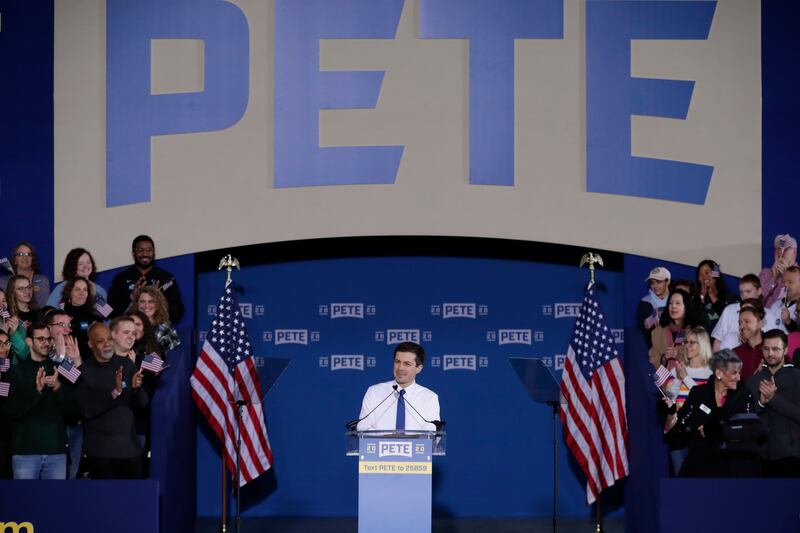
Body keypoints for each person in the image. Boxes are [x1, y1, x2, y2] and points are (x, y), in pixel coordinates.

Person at [664, 349, 759, 477]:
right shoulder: (699, 393)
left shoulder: (743, 395)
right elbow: (681, 424)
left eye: (739, 373)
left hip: (732, 462)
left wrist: (717, 429)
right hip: (701, 460)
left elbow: (751, 429)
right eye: (734, 373)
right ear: (719, 373)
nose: (738, 377)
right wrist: (671, 412)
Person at [3, 323, 77, 479]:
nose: (46, 343)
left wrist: (58, 387)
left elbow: (74, 412)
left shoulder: (63, 368)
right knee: (24, 496)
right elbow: (12, 410)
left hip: (56, 451)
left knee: (55, 496)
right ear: (29, 341)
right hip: (25, 452)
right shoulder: (15, 371)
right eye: (41, 339)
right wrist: (37, 390)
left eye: (49, 339)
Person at [75, 322, 147, 479]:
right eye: (101, 341)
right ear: (90, 344)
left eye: (109, 339)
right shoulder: (83, 372)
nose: (107, 344)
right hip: (100, 454)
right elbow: (87, 411)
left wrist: (136, 389)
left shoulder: (126, 365)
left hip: (130, 451)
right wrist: (115, 392)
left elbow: (142, 404)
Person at [657, 327, 713, 475]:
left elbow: (705, 401)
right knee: (679, 477)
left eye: (692, 343)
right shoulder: (677, 370)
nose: (687, 346)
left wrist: (686, 378)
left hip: (701, 435)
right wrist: (678, 379)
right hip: (678, 433)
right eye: (685, 342)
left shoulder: (711, 374)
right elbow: (670, 397)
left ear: (703, 345)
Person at [747, 329, 800, 476]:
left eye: (775, 349)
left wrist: (773, 398)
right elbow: (747, 416)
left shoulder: (797, 377)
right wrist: (761, 403)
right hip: (760, 457)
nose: (770, 353)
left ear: (785, 350)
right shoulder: (754, 380)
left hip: (791, 456)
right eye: (766, 349)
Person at [356, 342, 440, 431]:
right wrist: (386, 438)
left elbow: (431, 432)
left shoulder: (429, 397)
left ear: (418, 368)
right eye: (397, 362)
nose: (400, 368)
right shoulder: (374, 392)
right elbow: (363, 427)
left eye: (407, 364)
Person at [108, 235, 184, 324]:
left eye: (149, 250)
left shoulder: (166, 278)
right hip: (129, 330)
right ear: (133, 253)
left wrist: (159, 299)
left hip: (157, 329)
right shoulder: (120, 278)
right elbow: (108, 312)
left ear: (154, 252)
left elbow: (178, 313)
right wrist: (131, 298)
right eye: (140, 250)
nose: (145, 254)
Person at [712, 276, 782, 351]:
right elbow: (718, 340)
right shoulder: (729, 310)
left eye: (748, 291)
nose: (744, 296)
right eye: (741, 292)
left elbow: (779, 343)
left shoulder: (770, 316)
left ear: (759, 291)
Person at [648, 289, 701, 370]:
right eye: (670, 303)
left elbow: (702, 358)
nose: (673, 306)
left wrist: (678, 355)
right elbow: (653, 360)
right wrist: (664, 359)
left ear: (686, 307)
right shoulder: (657, 332)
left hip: (690, 376)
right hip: (665, 377)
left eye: (678, 303)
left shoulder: (696, 331)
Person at [59, 277, 102, 357]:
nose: (81, 293)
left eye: (85, 290)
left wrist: (95, 295)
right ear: (69, 292)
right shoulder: (60, 316)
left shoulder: (95, 317)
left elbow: (110, 313)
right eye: (77, 289)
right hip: (68, 360)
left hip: (91, 361)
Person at [0, 242, 50, 309]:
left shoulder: (42, 281)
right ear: (15, 260)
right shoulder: (3, 282)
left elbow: (43, 307)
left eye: (28, 254)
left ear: (33, 259)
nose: (24, 257)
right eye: (20, 254)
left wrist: (30, 287)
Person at [132, 286, 180, 356]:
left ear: (157, 305)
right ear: (137, 304)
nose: (146, 305)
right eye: (142, 301)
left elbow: (159, 356)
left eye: (151, 301)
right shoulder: (128, 323)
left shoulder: (164, 327)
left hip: (150, 361)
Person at [696, 260, 735, 331]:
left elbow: (729, 319)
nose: (704, 277)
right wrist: (702, 298)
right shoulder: (695, 298)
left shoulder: (729, 297)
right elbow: (696, 321)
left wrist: (712, 296)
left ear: (715, 275)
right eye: (700, 274)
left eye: (707, 272)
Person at [760, 233, 798, 308]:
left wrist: (786, 277)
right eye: (778, 248)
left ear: (794, 252)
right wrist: (772, 279)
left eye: (785, 249)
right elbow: (756, 301)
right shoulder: (765, 273)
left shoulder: (798, 275)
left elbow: (788, 304)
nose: (780, 252)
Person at [637, 267, 670, 346]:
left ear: (667, 281)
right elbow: (642, 328)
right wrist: (650, 322)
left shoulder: (675, 299)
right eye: (652, 283)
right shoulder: (644, 302)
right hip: (654, 348)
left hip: (676, 348)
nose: (655, 286)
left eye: (659, 282)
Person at [733, 306, 765, 382]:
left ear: (760, 324)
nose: (742, 326)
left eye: (747, 322)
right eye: (740, 323)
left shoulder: (771, 352)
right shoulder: (735, 353)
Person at [0, 330, 12, 478]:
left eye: (7, 343)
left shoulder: (10, 371)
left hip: (8, 440)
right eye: (0, 343)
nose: (4, 347)